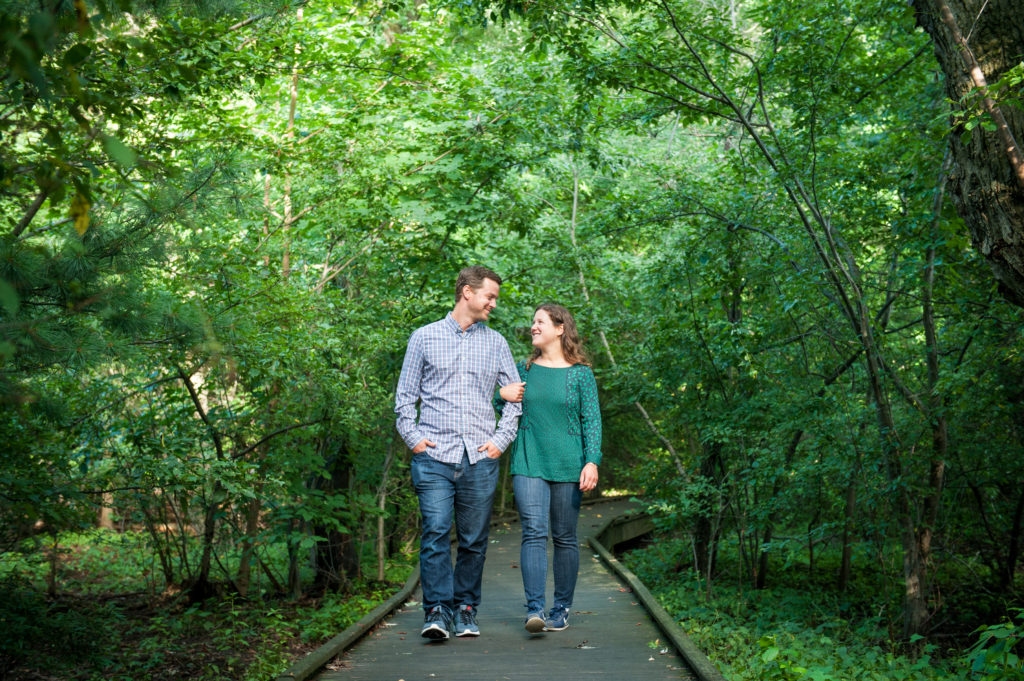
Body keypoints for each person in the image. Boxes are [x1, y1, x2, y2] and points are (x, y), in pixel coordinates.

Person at [395, 265, 523, 641]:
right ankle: (436, 610)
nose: (493, 304)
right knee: (435, 532)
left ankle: (466, 609)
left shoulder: (496, 342)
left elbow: (515, 395)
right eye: (490, 296)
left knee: (473, 539)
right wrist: (413, 438)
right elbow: (405, 399)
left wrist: (500, 442)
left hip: (480, 459)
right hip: (433, 457)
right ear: (467, 292)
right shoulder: (423, 337)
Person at [498, 303, 601, 634]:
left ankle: (561, 608)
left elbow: (592, 420)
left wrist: (592, 460)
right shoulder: (523, 370)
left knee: (566, 537)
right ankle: (534, 609)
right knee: (533, 531)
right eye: (532, 321)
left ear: (560, 328)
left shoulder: (580, 374)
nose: (533, 326)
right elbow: (494, 402)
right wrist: (500, 393)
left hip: (569, 464)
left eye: (540, 321)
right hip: (529, 460)